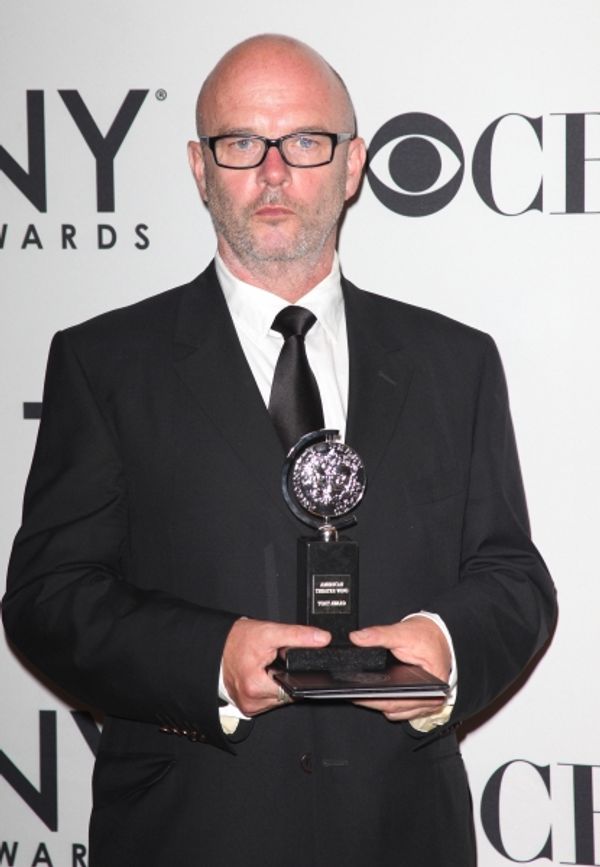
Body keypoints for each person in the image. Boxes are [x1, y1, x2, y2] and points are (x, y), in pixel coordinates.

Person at [3, 33, 556, 867]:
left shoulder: (455, 361)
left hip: (401, 833)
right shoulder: (104, 362)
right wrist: (210, 659)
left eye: (304, 141)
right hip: (192, 833)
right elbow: (46, 599)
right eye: (239, 143)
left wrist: (444, 643)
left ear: (354, 164)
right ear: (198, 166)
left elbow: (514, 578)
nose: (271, 171)